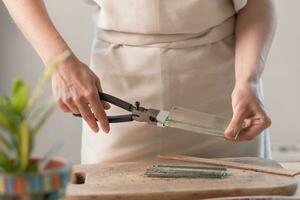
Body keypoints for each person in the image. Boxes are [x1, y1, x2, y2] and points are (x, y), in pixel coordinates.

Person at [3, 0, 277, 164]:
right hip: (117, 91)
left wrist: (248, 80)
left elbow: (256, 2)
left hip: (222, 89)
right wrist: (60, 62)